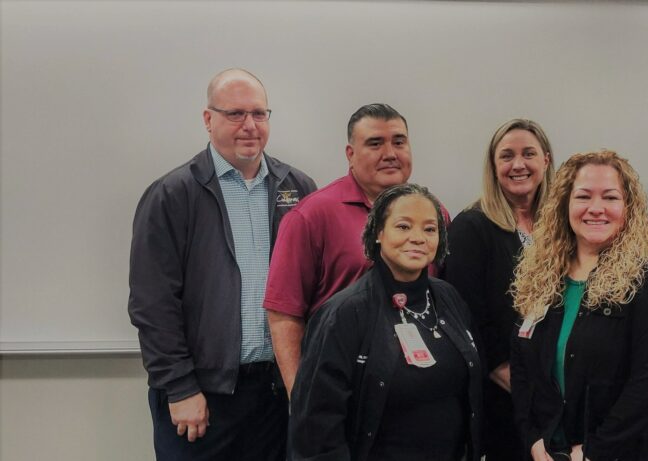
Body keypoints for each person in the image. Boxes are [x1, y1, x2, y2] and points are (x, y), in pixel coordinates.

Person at [128, 68, 317, 460]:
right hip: (201, 398)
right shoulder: (172, 194)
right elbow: (153, 304)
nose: (249, 126)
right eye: (235, 114)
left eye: (259, 114)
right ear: (208, 119)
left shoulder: (297, 188)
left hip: (275, 395)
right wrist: (179, 387)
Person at [510, 150, 648, 461]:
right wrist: (534, 438)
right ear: (565, 204)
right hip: (551, 451)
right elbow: (524, 369)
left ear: (628, 208)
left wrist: (596, 451)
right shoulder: (542, 275)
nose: (596, 208)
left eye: (609, 197)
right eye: (583, 196)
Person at [289, 183, 482, 461]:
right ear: (378, 232)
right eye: (403, 226)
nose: (418, 237)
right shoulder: (344, 314)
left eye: (429, 229)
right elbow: (315, 427)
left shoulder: (448, 298)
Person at [264, 103, 434, 395]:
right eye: (375, 143)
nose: (390, 154)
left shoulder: (432, 215)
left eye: (399, 141)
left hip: (414, 390)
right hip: (342, 389)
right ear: (350, 154)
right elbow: (283, 315)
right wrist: (302, 399)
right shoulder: (312, 216)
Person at [441, 118, 555, 460]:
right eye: (507, 156)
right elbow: (467, 317)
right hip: (501, 395)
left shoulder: (562, 225)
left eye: (528, 154)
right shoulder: (470, 227)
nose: (518, 164)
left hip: (556, 390)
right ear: (494, 165)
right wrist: (519, 386)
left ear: (546, 161)